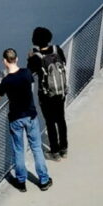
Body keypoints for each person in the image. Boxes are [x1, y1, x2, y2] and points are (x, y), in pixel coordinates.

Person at [0, 48, 52, 192]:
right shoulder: (26, 73)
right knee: (36, 147)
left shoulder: (5, 81)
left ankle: (21, 182)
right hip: (30, 115)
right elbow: (23, 82)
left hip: (16, 118)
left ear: (4, 61)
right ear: (16, 59)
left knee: (18, 150)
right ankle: (43, 180)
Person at [28, 27, 68, 160]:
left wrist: (30, 58)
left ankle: (55, 152)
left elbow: (29, 73)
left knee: (50, 122)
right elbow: (64, 62)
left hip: (46, 94)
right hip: (60, 91)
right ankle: (64, 148)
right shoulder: (57, 50)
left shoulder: (36, 57)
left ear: (36, 40)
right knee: (61, 119)